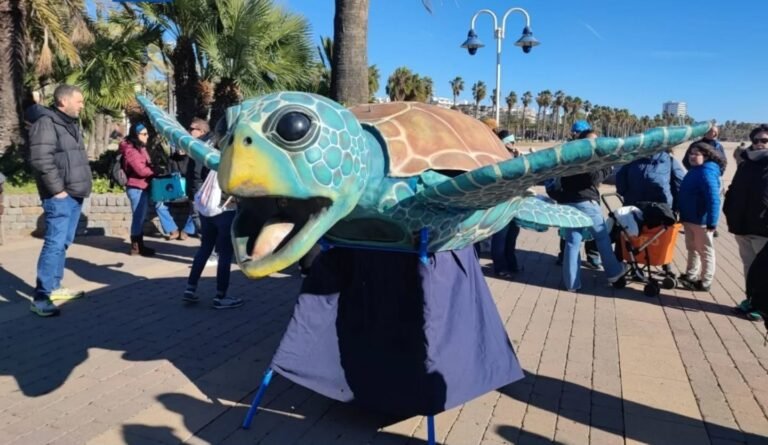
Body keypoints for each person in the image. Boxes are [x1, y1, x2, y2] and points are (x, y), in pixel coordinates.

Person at [27, 84, 91, 317]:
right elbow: (41, 159)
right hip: (60, 196)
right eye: (79, 101)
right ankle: (41, 297)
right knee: (54, 244)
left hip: (74, 193)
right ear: (63, 101)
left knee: (63, 242)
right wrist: (57, 191)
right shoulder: (46, 123)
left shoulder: (69, 124)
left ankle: (54, 286)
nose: (82, 105)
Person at [560, 129, 626, 291]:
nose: (595, 144)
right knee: (602, 238)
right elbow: (594, 178)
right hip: (587, 203)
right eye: (593, 140)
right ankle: (614, 272)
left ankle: (572, 284)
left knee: (572, 242)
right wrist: (608, 167)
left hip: (569, 202)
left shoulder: (570, 156)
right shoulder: (589, 158)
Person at [182, 138, 242, 309]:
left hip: (206, 211)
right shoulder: (236, 162)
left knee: (205, 248)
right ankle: (221, 296)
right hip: (225, 211)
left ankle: (190, 288)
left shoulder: (211, 158)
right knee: (225, 254)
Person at [724, 124, 768, 319]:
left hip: (764, 230)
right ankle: (751, 301)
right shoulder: (745, 163)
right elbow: (734, 189)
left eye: (764, 141)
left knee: (764, 271)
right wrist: (729, 211)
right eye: (756, 140)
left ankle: (763, 308)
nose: (760, 144)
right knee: (750, 270)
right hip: (742, 226)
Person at [551, 120, 601, 269]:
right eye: (573, 132)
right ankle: (566, 255)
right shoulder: (568, 149)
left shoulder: (588, 149)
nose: (574, 134)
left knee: (585, 231)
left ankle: (592, 257)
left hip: (581, 195)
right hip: (575, 196)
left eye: (577, 132)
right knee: (568, 231)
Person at [678, 141, 723, 291]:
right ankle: (690, 275)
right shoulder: (694, 170)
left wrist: (712, 222)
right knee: (692, 248)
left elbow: (713, 199)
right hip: (690, 219)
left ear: (706, 156)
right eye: (691, 153)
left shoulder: (706, 172)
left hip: (701, 221)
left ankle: (705, 282)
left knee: (705, 251)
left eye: (696, 154)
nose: (692, 156)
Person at [121, 122, 158, 256]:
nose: (147, 136)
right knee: (138, 217)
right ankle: (136, 247)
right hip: (136, 187)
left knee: (141, 217)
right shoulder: (131, 149)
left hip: (142, 186)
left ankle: (139, 245)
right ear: (136, 135)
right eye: (144, 134)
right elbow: (140, 170)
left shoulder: (139, 147)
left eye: (147, 133)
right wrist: (154, 171)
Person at [490, 130, 522, 277]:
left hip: (514, 202)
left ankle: (511, 263)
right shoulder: (495, 158)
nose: (512, 145)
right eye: (509, 143)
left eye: (513, 142)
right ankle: (500, 267)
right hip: (501, 203)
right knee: (500, 237)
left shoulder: (516, 157)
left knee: (512, 236)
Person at [615, 150, 685, 212]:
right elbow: (680, 184)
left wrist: (627, 195)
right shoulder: (669, 159)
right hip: (662, 209)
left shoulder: (632, 159)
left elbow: (620, 181)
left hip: (634, 207)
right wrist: (677, 208)